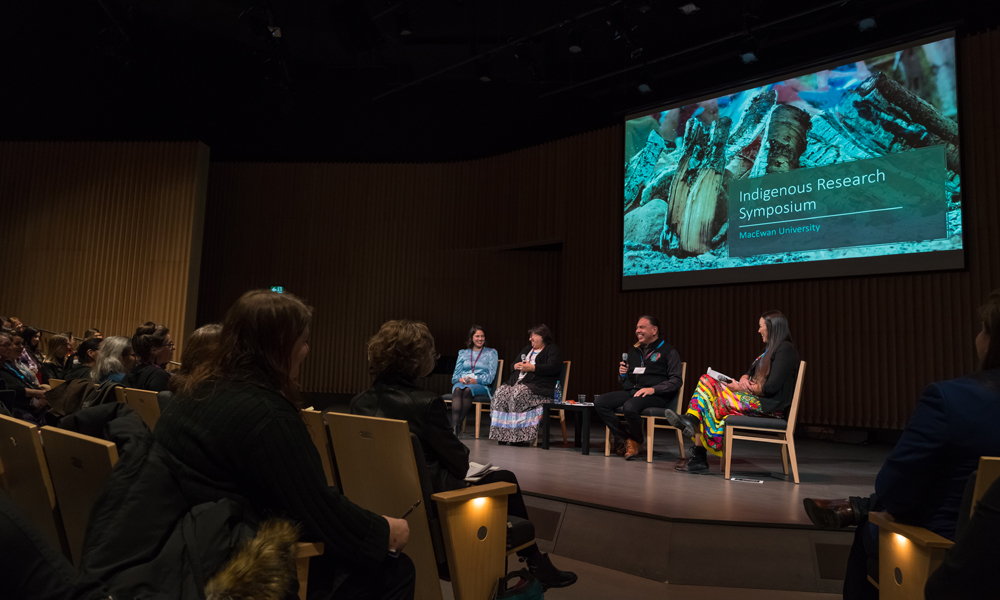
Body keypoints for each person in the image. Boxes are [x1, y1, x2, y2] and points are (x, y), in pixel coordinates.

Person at [149, 290, 415, 599]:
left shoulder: (198, 392)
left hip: (174, 550)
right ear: (278, 347)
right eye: (302, 341)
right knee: (394, 569)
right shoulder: (265, 413)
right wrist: (384, 532)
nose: (307, 349)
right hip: (222, 571)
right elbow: (315, 511)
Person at [350, 320, 577, 591]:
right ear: (417, 360)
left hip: (380, 498)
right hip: (433, 502)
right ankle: (531, 562)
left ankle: (535, 562)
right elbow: (458, 463)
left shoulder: (358, 402)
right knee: (505, 478)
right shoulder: (426, 404)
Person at [802, 290, 1000, 600]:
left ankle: (860, 508)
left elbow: (894, 490)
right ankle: (859, 506)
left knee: (871, 526)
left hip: (946, 553)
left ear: (992, 339)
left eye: (983, 328)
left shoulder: (952, 400)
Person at [665, 310, 801, 474]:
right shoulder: (768, 350)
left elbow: (771, 388)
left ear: (772, 328)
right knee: (706, 380)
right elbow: (749, 373)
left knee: (714, 402)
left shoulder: (785, 349)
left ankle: (699, 455)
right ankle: (691, 420)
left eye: (760, 327)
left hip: (768, 407)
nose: (758, 331)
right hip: (753, 399)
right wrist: (743, 379)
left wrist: (738, 388)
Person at [595, 315, 683, 461]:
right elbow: (626, 381)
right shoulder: (634, 351)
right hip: (634, 392)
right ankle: (628, 439)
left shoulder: (669, 351)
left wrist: (653, 389)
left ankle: (636, 440)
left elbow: (676, 381)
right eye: (637, 328)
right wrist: (622, 375)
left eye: (642, 327)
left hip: (657, 396)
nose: (637, 331)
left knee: (630, 406)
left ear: (654, 330)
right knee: (600, 402)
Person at [489, 324, 563, 445]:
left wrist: (532, 368)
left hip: (539, 387)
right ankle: (502, 435)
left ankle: (518, 437)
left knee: (519, 393)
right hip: (519, 383)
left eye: (532, 335)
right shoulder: (527, 349)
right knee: (501, 392)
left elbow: (553, 367)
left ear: (542, 336)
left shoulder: (552, 349)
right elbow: (512, 364)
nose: (530, 339)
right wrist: (515, 366)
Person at [448, 325, 498, 435]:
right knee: (457, 389)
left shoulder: (491, 353)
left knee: (467, 390)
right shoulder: (463, 353)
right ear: (471, 338)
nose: (480, 339)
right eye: (477, 336)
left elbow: (490, 377)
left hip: (481, 385)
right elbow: (455, 377)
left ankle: (456, 425)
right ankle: (455, 428)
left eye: (482, 336)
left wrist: (476, 381)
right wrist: (460, 379)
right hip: (463, 383)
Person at [0, 332, 49, 423]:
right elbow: (12, 389)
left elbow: (24, 383)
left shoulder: (8, 365)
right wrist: (38, 393)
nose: (10, 348)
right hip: (15, 413)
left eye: (10, 345)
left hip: (28, 408)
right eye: (5, 345)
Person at [124, 321, 174, 392]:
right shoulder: (159, 376)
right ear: (155, 349)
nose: (173, 347)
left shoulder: (133, 371)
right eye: (170, 344)